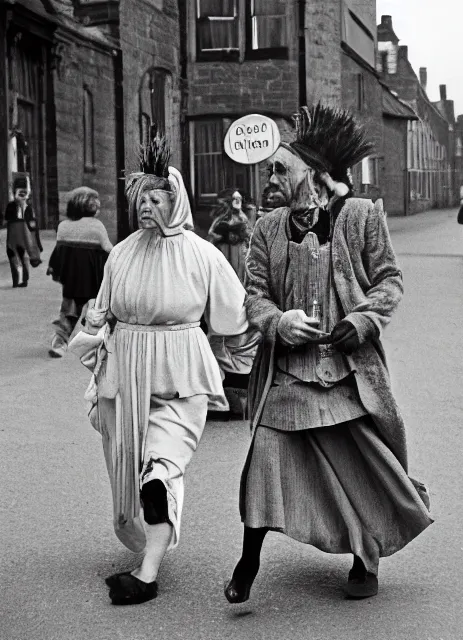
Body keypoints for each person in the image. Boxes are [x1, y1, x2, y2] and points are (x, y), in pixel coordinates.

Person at [224, 104, 433, 604]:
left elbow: (389, 280)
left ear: (313, 177)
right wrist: (278, 322)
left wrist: (362, 321)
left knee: (362, 468)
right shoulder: (267, 227)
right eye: (268, 169)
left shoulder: (360, 217)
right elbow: (253, 293)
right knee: (265, 462)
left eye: (280, 169)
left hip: (345, 373)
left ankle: (366, 559)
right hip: (290, 374)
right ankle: (248, 559)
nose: (269, 178)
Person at [69, 137, 248, 606]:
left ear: (175, 201)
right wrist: (92, 322)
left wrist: (257, 346)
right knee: (130, 466)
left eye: (155, 199)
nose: (145, 207)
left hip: (179, 370)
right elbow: (103, 311)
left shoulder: (201, 254)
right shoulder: (123, 252)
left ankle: (147, 576)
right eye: (140, 200)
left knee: (160, 469)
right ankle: (145, 557)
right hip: (126, 370)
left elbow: (234, 315)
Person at [206, 188, 260, 417]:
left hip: (239, 255)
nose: (238, 202)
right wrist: (222, 235)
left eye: (240, 198)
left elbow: (250, 236)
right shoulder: (222, 219)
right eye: (235, 199)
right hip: (225, 255)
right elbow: (212, 238)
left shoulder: (244, 218)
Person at [47, 187, 113, 358]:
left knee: (68, 312)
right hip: (93, 279)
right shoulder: (96, 226)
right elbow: (109, 250)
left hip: (71, 279)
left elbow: (58, 254)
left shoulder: (63, 227)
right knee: (98, 310)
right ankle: (99, 342)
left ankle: (59, 342)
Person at [1, 175, 42, 287]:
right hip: (22, 234)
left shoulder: (15, 206)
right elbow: (33, 225)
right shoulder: (28, 207)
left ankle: (18, 280)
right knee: (21, 255)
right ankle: (23, 280)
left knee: (14, 255)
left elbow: (6, 220)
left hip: (15, 234)